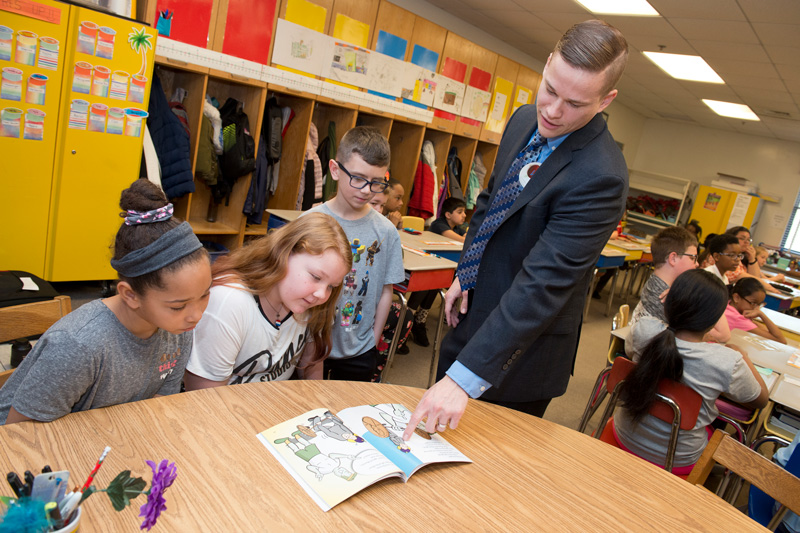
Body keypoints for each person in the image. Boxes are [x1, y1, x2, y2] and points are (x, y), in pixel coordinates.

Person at [405, 20, 630, 439]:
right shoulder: (524, 119)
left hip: (521, 352)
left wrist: (461, 380)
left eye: (575, 104)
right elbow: (491, 203)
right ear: (547, 66)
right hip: (471, 315)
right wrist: (465, 274)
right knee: (432, 441)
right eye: (550, 89)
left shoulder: (601, 177)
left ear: (606, 100)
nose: (553, 111)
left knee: (486, 475)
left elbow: (542, 285)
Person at [0, 179, 212, 425]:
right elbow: (20, 431)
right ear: (130, 295)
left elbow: (160, 403)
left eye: (205, 294)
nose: (195, 315)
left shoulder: (178, 327)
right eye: (178, 306)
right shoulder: (78, 345)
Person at [614, 269, 768, 471]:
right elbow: (760, 399)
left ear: (668, 303)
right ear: (714, 320)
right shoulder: (727, 360)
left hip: (625, 434)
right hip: (677, 458)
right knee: (715, 433)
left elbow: (632, 354)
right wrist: (744, 356)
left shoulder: (644, 329)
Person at [183, 213, 352, 389]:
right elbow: (204, 398)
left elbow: (312, 372)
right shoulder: (229, 302)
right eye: (316, 277)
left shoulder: (308, 302)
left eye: (331, 286)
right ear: (284, 253)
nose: (322, 295)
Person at [307, 126, 404, 382]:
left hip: (360, 350)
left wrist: (373, 339)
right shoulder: (310, 222)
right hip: (308, 345)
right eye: (358, 178)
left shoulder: (386, 231)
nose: (366, 190)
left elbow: (386, 290)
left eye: (376, 182)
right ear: (335, 169)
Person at [626, 226, 730, 347]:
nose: (696, 264)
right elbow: (723, 335)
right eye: (692, 258)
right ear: (673, 258)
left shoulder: (657, 284)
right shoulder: (668, 299)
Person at [408, 197, 468, 347]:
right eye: (460, 212)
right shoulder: (438, 224)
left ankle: (418, 320)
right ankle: (407, 322)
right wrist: (464, 237)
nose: (464, 215)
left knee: (436, 282)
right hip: (422, 265)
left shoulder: (457, 228)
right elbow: (464, 241)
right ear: (448, 214)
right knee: (430, 282)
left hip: (439, 268)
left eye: (464, 212)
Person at [724, 277, 787, 344]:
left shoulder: (727, 305)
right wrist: (761, 315)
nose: (756, 309)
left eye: (759, 304)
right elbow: (780, 340)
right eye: (753, 303)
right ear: (736, 297)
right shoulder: (738, 319)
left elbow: (762, 328)